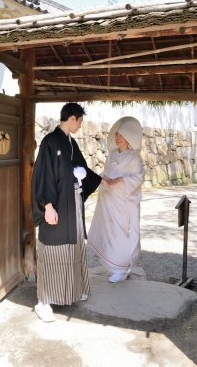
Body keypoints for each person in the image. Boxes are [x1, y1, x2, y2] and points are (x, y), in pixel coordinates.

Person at [32, 102, 102, 322]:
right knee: (52, 250)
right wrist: (47, 206)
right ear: (72, 118)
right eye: (80, 121)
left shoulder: (70, 143)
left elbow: (81, 169)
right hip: (57, 206)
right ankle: (43, 301)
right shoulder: (50, 142)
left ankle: (71, 290)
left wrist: (94, 178)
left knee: (74, 245)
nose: (80, 126)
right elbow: (43, 175)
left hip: (73, 204)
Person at [87, 116, 144, 283]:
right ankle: (112, 265)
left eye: (121, 135)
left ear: (129, 138)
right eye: (116, 135)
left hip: (124, 201)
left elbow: (139, 178)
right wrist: (104, 179)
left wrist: (121, 180)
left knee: (121, 232)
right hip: (109, 200)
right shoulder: (111, 154)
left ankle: (122, 266)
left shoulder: (134, 158)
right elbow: (106, 172)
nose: (118, 138)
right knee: (109, 230)